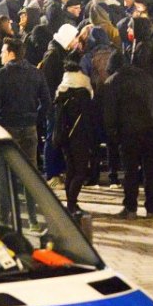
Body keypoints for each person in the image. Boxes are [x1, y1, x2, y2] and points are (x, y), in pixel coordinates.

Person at [103, 49, 153, 219]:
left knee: (130, 171)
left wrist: (113, 135)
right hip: (151, 129)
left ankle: (130, 208)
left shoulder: (112, 82)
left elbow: (109, 113)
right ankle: (152, 208)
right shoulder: (146, 77)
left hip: (129, 132)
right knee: (151, 171)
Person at [0, 38, 52, 170]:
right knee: (30, 167)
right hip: (30, 126)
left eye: (3, 52)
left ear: (11, 54)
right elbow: (46, 101)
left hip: (8, 126)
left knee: (6, 168)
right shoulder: (36, 73)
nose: (1, 55)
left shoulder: (1, 74)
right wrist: (35, 118)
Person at [53, 59, 95, 214]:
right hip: (80, 138)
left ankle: (70, 203)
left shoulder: (61, 93)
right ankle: (71, 203)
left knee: (70, 169)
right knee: (80, 171)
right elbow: (89, 119)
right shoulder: (83, 94)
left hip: (64, 137)